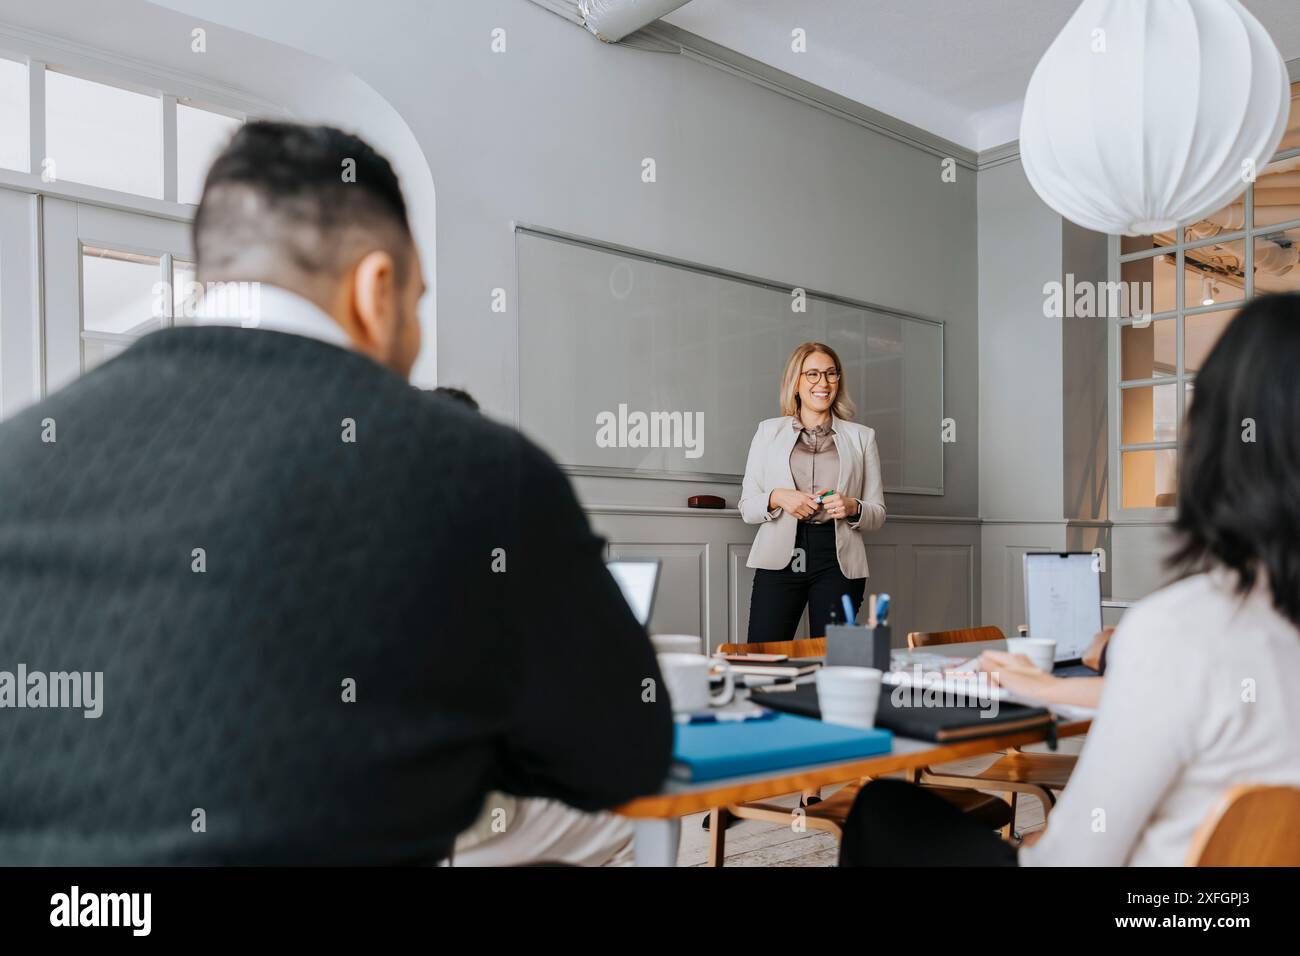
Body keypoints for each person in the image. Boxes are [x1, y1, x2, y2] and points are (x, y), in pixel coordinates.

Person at [0, 121, 673, 864]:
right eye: (417, 301)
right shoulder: (480, 473)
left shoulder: (16, 454)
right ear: (375, 289)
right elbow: (624, 755)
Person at [840, 293, 1300, 866]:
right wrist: (1052, 689)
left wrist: (1029, 841)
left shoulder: (1187, 629)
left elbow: (1072, 858)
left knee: (885, 809)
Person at [739, 342, 886, 642]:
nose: (823, 383)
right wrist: (778, 497)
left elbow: (878, 513)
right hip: (779, 558)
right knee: (764, 656)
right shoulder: (768, 432)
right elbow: (747, 506)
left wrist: (852, 506)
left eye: (831, 374)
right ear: (796, 382)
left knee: (833, 659)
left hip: (837, 560)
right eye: (813, 374)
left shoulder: (862, 437)